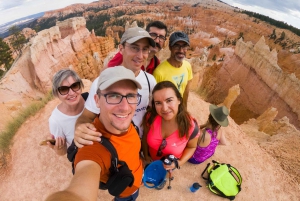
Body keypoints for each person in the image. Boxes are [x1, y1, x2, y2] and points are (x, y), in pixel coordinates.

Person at [46, 66, 143, 201]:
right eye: (113, 96)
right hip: (125, 192)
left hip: (137, 178)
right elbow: (80, 189)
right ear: (96, 100)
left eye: (131, 96)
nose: (125, 107)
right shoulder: (93, 146)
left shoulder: (123, 122)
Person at [74, 27, 156, 147]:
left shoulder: (150, 81)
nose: (140, 55)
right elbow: (86, 117)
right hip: (116, 146)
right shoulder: (101, 83)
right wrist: (79, 128)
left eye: (145, 49)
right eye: (134, 47)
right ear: (121, 48)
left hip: (142, 143)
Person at [142, 81, 199, 171]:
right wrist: (146, 155)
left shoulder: (190, 126)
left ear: (179, 100)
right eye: (158, 103)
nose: (164, 108)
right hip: (151, 160)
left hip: (170, 165)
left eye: (169, 100)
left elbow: (192, 147)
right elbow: (145, 137)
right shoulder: (151, 117)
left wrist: (178, 163)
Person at [47, 69, 85, 155]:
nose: (71, 93)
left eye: (75, 86)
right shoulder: (56, 121)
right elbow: (62, 152)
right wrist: (59, 148)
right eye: (64, 89)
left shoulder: (90, 100)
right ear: (57, 94)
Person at [153, 31, 193, 107]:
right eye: (177, 46)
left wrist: (184, 110)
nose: (181, 50)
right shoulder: (159, 72)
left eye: (184, 46)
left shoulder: (187, 66)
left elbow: (186, 92)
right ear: (170, 47)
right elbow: (155, 100)